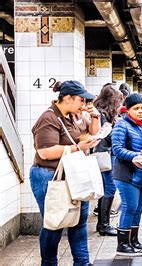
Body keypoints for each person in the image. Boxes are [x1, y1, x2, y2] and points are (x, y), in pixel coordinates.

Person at [30, 80, 101, 265]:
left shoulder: (75, 115)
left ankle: (82, 262)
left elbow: (93, 133)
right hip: (49, 176)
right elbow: (44, 152)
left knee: (79, 221)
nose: (84, 105)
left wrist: (95, 117)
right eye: (81, 100)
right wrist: (77, 148)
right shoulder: (49, 118)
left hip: (73, 175)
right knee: (55, 223)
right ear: (68, 98)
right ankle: (49, 262)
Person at [112, 93, 142, 256]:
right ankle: (123, 245)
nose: (140, 111)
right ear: (128, 110)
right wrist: (137, 155)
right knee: (129, 207)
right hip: (126, 174)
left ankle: (134, 241)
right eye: (136, 108)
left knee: (138, 209)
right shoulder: (121, 125)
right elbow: (117, 150)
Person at [92, 84, 124, 236]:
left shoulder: (100, 112)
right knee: (110, 188)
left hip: (104, 154)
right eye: (117, 102)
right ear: (111, 101)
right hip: (104, 155)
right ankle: (104, 225)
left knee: (106, 188)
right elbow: (106, 136)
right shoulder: (102, 115)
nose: (119, 105)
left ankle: (102, 224)